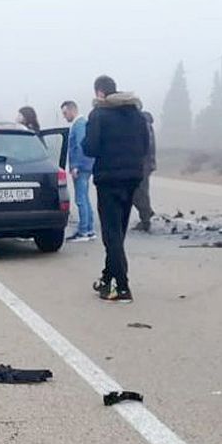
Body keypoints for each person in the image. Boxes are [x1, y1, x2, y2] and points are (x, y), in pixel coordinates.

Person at [83, 75, 149, 303]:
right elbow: (145, 146)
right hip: (132, 178)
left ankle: (122, 287)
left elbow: (90, 148)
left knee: (111, 234)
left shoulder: (99, 114)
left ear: (100, 92)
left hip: (108, 179)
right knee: (118, 233)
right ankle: (106, 277)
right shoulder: (138, 115)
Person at [62, 100, 95, 242]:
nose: (64, 116)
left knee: (81, 199)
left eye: (65, 113)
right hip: (85, 166)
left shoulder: (79, 124)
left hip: (81, 167)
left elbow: (81, 146)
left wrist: (76, 165)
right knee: (85, 198)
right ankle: (89, 229)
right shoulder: (80, 124)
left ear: (71, 110)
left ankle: (83, 231)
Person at [132, 111, 157, 232]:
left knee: (139, 192)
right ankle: (146, 213)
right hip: (144, 163)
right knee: (139, 191)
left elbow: (147, 145)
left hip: (143, 164)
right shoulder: (144, 123)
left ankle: (146, 217)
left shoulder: (143, 124)